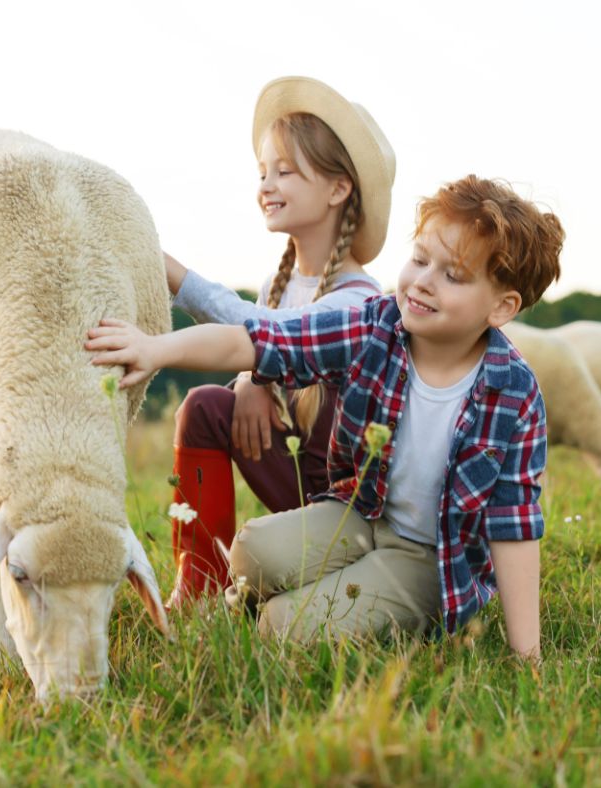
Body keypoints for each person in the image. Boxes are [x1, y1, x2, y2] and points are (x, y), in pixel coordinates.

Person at [86, 175, 565, 659]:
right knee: (251, 550)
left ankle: (299, 613)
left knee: (286, 625)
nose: (423, 281)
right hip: (360, 513)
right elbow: (255, 340)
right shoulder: (375, 325)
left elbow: (514, 525)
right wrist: (156, 348)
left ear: (502, 307)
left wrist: (528, 656)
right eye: (420, 259)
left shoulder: (515, 393)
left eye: (453, 276)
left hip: (430, 557)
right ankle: (258, 599)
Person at [162, 76, 395, 608]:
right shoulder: (279, 286)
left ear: (338, 189)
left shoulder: (360, 300)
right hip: (292, 475)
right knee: (205, 406)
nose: (266, 184)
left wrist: (172, 274)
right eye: (263, 171)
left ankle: (318, 564)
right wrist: (248, 379)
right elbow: (261, 339)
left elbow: (271, 336)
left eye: (285, 171)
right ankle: (196, 581)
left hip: (348, 503)